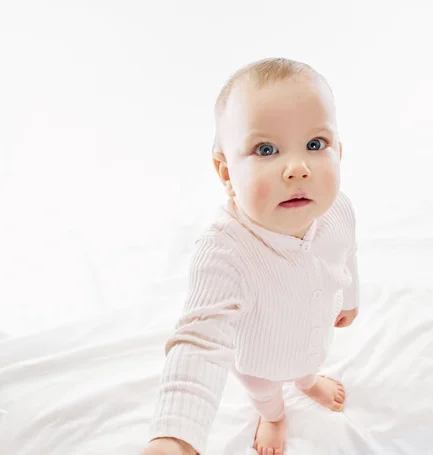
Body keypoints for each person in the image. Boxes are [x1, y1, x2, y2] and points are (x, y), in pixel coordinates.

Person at [140, 57, 360, 455]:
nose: (297, 168)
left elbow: (347, 254)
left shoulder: (338, 208)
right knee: (265, 393)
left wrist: (352, 296)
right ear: (226, 174)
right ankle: (273, 416)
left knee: (310, 364)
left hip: (315, 336)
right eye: (266, 149)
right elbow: (199, 339)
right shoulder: (225, 249)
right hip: (260, 361)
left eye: (315, 145)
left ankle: (308, 382)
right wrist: (176, 435)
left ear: (339, 153)